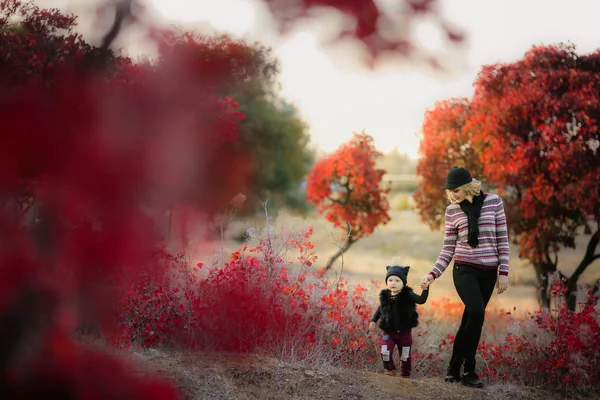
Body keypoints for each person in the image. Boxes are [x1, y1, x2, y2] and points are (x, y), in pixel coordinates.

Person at [420, 166, 509, 388]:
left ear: (468, 186)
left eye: (456, 190)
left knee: (469, 319)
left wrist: (504, 272)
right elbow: (448, 249)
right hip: (464, 269)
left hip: (488, 272)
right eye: (449, 191)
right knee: (477, 313)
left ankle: (453, 368)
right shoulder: (452, 211)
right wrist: (433, 274)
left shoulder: (494, 202)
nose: (452, 195)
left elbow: (502, 239)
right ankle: (469, 369)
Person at [369, 265, 429, 378]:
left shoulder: (408, 295)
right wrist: (373, 320)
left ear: (404, 282)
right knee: (385, 352)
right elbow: (381, 309)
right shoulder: (385, 296)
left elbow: (421, 300)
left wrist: (425, 289)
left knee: (405, 356)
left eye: (397, 280)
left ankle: (405, 376)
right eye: (390, 280)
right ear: (387, 282)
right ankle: (390, 369)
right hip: (389, 332)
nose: (393, 283)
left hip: (404, 333)